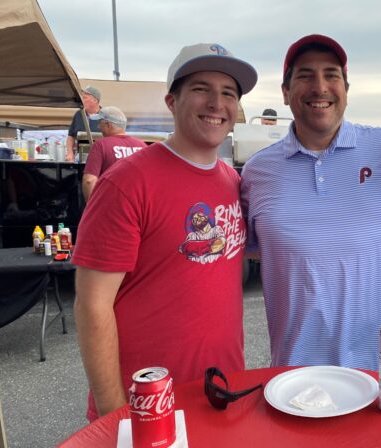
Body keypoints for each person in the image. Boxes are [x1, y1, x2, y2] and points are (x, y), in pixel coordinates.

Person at [72, 43, 257, 421]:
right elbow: (92, 305)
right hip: (147, 404)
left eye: (228, 94)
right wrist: (113, 416)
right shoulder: (127, 182)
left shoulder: (233, 182)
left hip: (219, 390)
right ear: (172, 101)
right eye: (201, 88)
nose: (216, 103)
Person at [241, 34, 381, 370]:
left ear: (346, 89)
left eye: (331, 75)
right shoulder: (257, 171)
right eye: (305, 75)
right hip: (293, 373)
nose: (320, 87)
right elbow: (244, 252)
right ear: (285, 93)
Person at [81, 106, 147, 201]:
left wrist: (91, 206)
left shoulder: (100, 145)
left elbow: (89, 180)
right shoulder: (142, 145)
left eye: (100, 123)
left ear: (108, 125)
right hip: (137, 208)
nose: (98, 127)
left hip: (110, 208)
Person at [66, 85, 102, 162]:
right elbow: (71, 136)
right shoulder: (78, 115)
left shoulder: (106, 116)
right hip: (81, 158)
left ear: (95, 100)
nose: (82, 100)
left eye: (85, 98)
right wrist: (70, 152)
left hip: (101, 158)